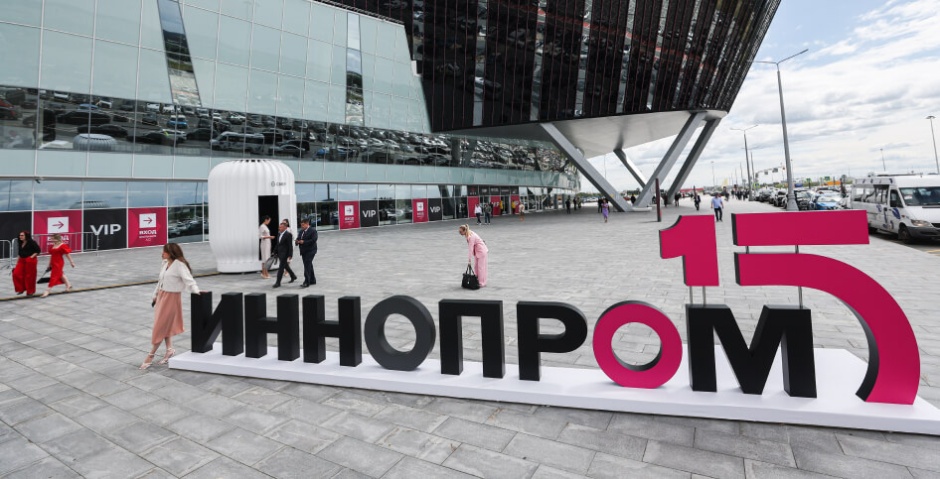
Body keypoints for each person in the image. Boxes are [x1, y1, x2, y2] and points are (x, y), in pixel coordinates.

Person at [142, 243, 199, 370]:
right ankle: (169, 350)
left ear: (171, 252)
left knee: (160, 326)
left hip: (172, 298)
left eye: (164, 251)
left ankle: (150, 355)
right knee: (164, 325)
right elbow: (160, 281)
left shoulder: (179, 265)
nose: (162, 253)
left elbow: (189, 280)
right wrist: (155, 295)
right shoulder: (165, 263)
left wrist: (197, 292)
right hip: (162, 296)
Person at [13, 231, 41, 296]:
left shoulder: (31, 242)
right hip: (21, 260)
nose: (20, 237)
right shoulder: (20, 242)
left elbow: (38, 250)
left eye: (22, 235)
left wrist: (31, 257)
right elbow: (19, 254)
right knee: (16, 273)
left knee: (29, 276)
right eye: (20, 235)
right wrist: (17, 263)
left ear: (26, 236)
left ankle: (30, 291)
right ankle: (21, 289)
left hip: (30, 260)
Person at [272, 221, 297, 288]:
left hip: (285, 254)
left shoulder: (288, 235)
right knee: (286, 266)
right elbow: (278, 244)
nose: (279, 228)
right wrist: (274, 251)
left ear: (285, 228)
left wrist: (290, 254)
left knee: (281, 268)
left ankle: (278, 282)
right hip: (279, 253)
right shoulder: (279, 234)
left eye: (280, 227)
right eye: (279, 227)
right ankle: (293, 276)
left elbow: (290, 245)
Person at [295, 218, 318, 287]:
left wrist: (304, 242)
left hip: (311, 250)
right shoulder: (301, 231)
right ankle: (312, 280)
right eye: (301, 225)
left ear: (307, 224)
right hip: (303, 251)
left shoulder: (313, 231)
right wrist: (297, 241)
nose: (301, 226)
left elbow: (314, 240)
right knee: (308, 265)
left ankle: (306, 282)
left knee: (307, 265)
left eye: (303, 225)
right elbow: (298, 238)